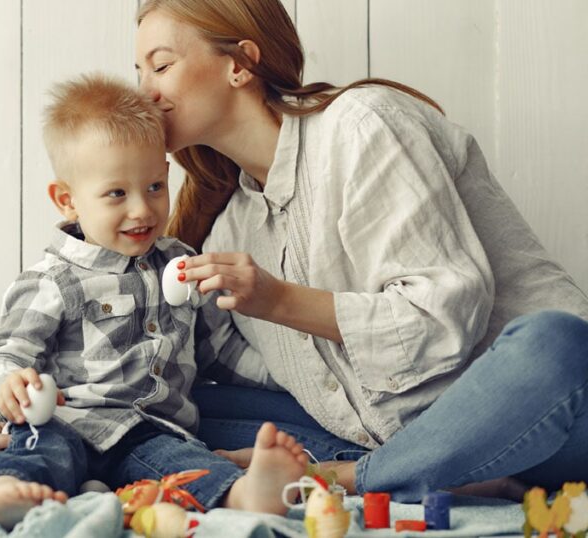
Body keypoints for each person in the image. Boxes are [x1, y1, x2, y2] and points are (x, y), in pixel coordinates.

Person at [125, 0, 588, 502]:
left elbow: (442, 320)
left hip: (546, 409)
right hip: (395, 433)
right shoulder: (232, 226)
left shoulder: (362, 125)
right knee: (155, 407)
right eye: (139, 72)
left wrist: (277, 299)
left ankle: (351, 478)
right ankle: (436, 471)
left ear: (240, 64)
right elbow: (257, 372)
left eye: (162, 65)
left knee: (555, 342)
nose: (145, 92)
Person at [0, 73, 313, 530]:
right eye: (117, 193)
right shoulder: (52, 281)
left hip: (148, 431)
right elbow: (3, 356)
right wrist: (8, 389)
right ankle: (4, 492)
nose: (142, 209)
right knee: (41, 448)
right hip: (70, 420)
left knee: (182, 463)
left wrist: (289, 377)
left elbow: (216, 354)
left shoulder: (180, 263)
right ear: (68, 201)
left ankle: (241, 493)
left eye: (155, 186)